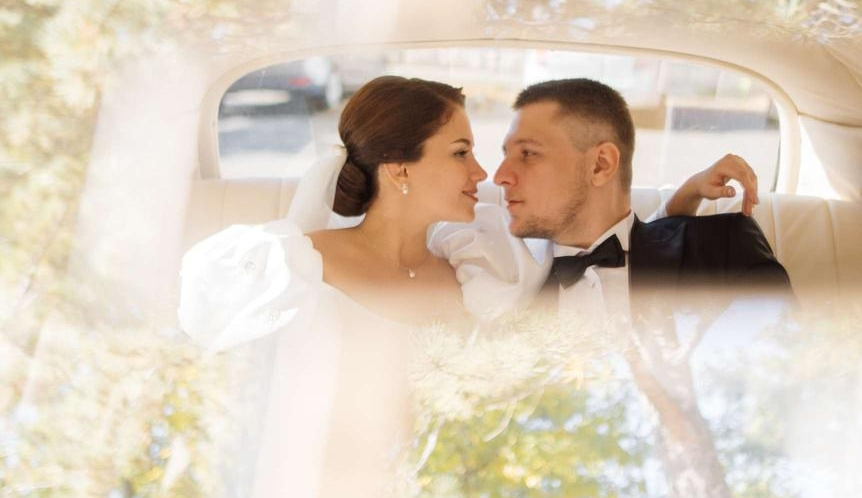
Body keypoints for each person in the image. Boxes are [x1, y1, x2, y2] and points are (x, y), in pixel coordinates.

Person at [178, 74, 774, 348]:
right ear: (399, 168)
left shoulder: (482, 268)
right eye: (462, 153)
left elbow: (610, 230)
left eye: (523, 155)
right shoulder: (281, 266)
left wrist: (682, 207)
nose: (488, 175)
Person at [494, 78, 792, 320]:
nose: (500, 176)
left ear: (600, 165)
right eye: (506, 155)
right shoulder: (496, 272)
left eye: (528, 153)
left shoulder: (724, 248)